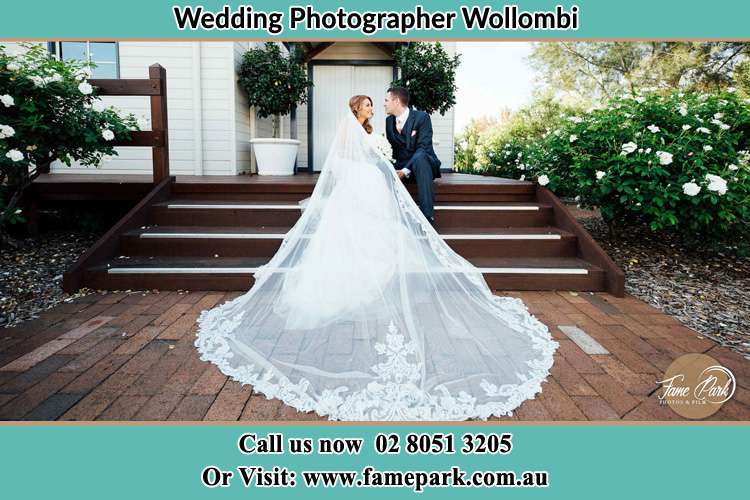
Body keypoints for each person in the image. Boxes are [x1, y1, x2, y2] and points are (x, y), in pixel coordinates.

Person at [194, 94, 558, 421]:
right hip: (358, 184)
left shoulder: (378, 128)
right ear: (357, 109)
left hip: (376, 178)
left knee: (380, 227)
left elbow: (389, 153)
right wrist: (372, 168)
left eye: (376, 103)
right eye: (368, 104)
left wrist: (384, 163)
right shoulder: (352, 130)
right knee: (354, 232)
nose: (374, 108)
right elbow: (339, 164)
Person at [384, 87, 441, 224]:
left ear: (396, 101)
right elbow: (393, 150)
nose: (384, 104)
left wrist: (404, 171)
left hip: (424, 165)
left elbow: (423, 148)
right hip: (401, 165)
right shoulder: (388, 121)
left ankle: (427, 217)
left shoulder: (422, 117)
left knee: (420, 156)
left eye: (386, 100)